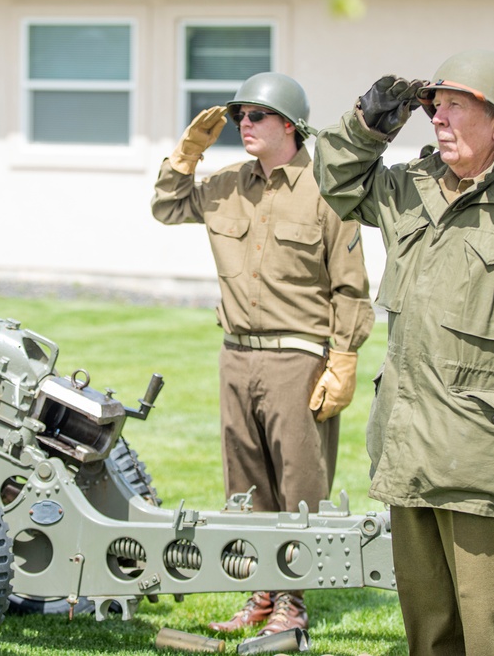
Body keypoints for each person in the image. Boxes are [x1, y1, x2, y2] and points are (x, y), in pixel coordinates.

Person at [312, 50, 494, 655]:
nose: (437, 119)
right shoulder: (411, 187)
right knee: (429, 634)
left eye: (454, 106)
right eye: (432, 107)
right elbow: (338, 182)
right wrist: (366, 126)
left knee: (488, 634)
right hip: (407, 448)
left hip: (485, 460)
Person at [151, 72, 374, 636]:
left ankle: (293, 602)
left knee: (300, 485)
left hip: (298, 358)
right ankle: (260, 591)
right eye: (240, 116)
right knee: (245, 485)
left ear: (289, 126)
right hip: (236, 356)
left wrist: (343, 360)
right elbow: (167, 207)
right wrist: (187, 152)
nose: (244, 125)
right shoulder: (225, 183)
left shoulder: (329, 191)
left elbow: (351, 286)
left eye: (257, 116)